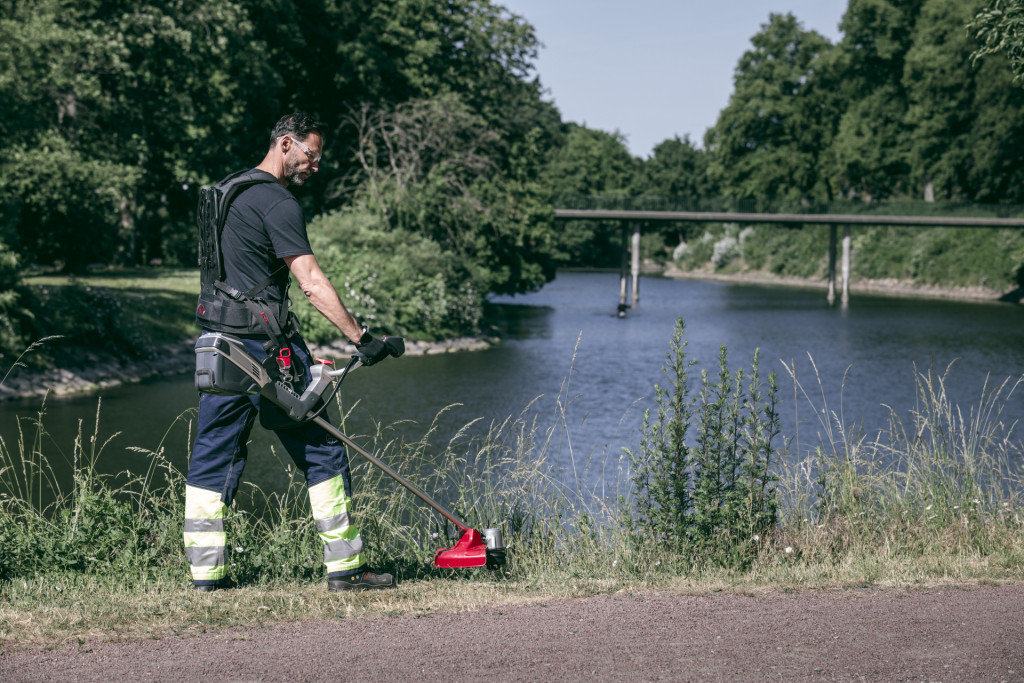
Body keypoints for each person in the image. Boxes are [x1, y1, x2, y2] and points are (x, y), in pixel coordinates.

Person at [184, 112, 394, 592]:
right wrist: (362, 338)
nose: (315, 165)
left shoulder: (226, 191)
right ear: (285, 144)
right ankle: (345, 568)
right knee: (323, 451)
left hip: (218, 347)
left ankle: (207, 577)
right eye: (310, 155)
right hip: (267, 349)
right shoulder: (278, 201)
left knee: (213, 455)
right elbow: (311, 283)